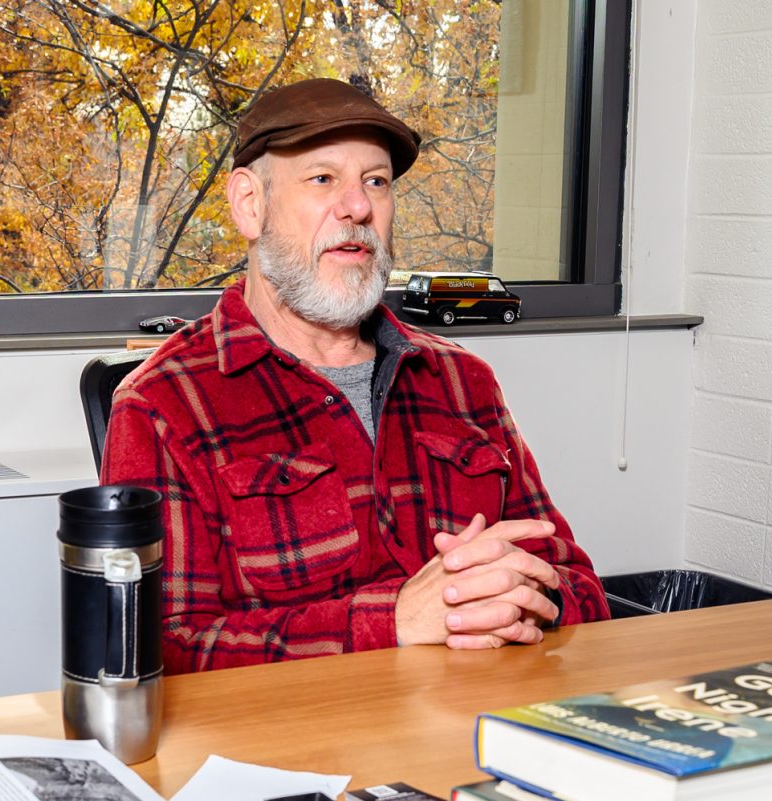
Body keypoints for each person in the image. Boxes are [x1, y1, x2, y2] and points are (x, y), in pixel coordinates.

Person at [101, 78, 609, 674]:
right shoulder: (163, 404)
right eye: (323, 179)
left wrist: (524, 602)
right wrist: (392, 620)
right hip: (298, 753)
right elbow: (157, 650)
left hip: (474, 737)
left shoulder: (462, 382)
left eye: (376, 181)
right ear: (249, 204)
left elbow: (581, 589)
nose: (358, 206)